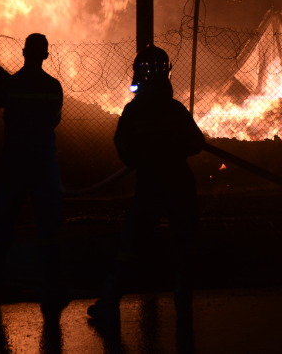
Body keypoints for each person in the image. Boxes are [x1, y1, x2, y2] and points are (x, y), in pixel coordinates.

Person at [87, 44, 205, 326]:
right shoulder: (175, 109)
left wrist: (142, 157)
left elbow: (123, 146)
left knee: (131, 244)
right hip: (179, 184)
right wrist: (172, 149)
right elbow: (196, 143)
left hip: (151, 184)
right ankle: (183, 305)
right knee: (184, 244)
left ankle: (111, 303)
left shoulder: (134, 111)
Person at [0, 33, 66, 309]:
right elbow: (54, 119)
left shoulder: (11, 85)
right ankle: (51, 285)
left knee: (4, 223)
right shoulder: (54, 86)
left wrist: (0, 82)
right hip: (43, 162)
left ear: (24, 53)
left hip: (15, 162)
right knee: (48, 226)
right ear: (45, 56)